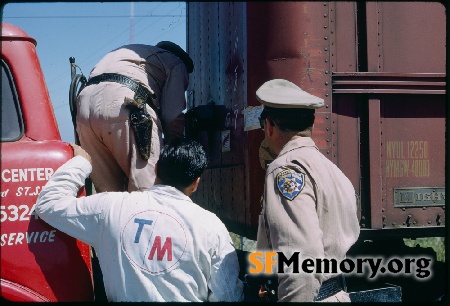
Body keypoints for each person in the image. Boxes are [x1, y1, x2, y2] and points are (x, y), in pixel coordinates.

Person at [35, 138, 244, 302]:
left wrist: (81, 162)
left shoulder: (110, 207)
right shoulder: (211, 226)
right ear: (196, 183)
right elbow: (228, 296)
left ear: (155, 169)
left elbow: (48, 204)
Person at [254, 79, 360, 302]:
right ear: (311, 123)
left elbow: (300, 260)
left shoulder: (285, 169)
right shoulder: (333, 171)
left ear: (269, 126)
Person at [76, 41, 194, 192]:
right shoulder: (176, 62)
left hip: (84, 106)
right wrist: (175, 146)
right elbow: (172, 116)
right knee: (146, 191)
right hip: (125, 104)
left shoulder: (133, 54)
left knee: (108, 197)